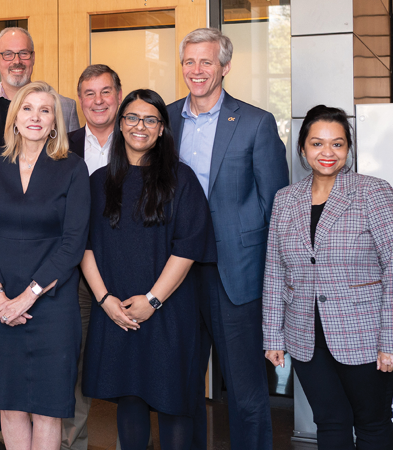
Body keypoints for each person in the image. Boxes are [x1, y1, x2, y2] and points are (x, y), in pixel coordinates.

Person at [165, 28, 288, 450]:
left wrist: (276, 282)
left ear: (225, 67)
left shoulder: (255, 122)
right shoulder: (163, 119)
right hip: (176, 270)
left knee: (245, 388)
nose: (196, 70)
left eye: (206, 62)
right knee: (181, 385)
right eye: (189, 62)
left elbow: (278, 208)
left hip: (235, 272)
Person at [79, 89, 212, 450]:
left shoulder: (182, 180)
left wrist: (152, 300)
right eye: (132, 118)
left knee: (174, 405)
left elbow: (187, 249)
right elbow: (83, 246)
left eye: (150, 119)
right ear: (121, 125)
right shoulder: (98, 181)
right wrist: (105, 300)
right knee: (130, 399)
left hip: (168, 310)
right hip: (117, 309)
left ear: (162, 130)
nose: (141, 126)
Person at [264, 105, 393, 450]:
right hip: (305, 335)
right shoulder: (285, 199)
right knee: (330, 422)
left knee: (373, 424)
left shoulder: (373, 192)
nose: (327, 153)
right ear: (303, 148)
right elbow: (276, 271)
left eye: (337, 144)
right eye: (317, 143)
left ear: (348, 149)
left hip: (364, 334)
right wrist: (272, 336)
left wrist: (389, 341)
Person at [0, 81, 89, 450]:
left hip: (51, 306)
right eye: (27, 108)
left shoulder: (72, 168)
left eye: (45, 110)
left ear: (55, 122)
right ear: (14, 117)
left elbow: (73, 244)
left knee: (47, 411)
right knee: (10, 408)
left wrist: (26, 298)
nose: (35, 117)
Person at [59, 63, 124, 449]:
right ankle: (72, 443)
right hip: (75, 275)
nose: (98, 101)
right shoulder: (62, 145)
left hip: (127, 272)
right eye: (89, 93)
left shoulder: (138, 138)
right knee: (74, 365)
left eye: (105, 92)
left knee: (129, 365)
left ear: (118, 95)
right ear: (79, 100)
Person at [0, 27, 80, 150]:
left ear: (33, 57)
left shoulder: (65, 107)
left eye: (24, 53)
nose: (17, 61)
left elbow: (72, 160)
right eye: (8, 54)